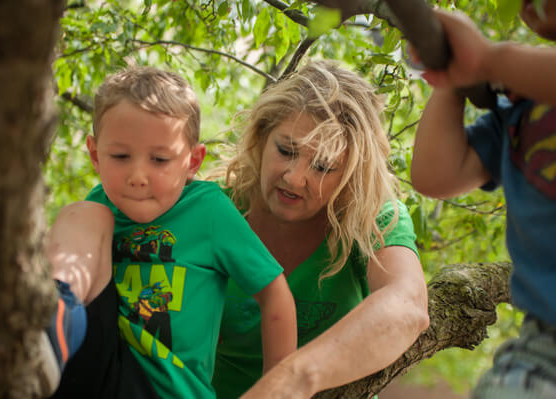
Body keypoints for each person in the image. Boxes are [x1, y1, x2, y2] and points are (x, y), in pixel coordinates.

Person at [45, 66, 297, 398]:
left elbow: (275, 294)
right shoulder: (99, 207)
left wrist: (277, 390)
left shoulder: (208, 211)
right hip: (93, 367)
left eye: (160, 160)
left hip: (165, 389)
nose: (138, 175)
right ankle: (47, 321)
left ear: (193, 161)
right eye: (120, 156)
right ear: (95, 155)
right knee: (83, 213)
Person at [211, 60, 430, 398]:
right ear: (261, 137)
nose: (295, 178)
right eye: (286, 150)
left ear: (352, 174)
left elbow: (408, 306)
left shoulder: (370, 215)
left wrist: (290, 382)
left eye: (323, 166)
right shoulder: (213, 211)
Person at [410, 2, 556, 398]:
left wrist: (490, 59)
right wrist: (453, 80)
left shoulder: (513, 72)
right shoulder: (520, 108)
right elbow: (435, 174)